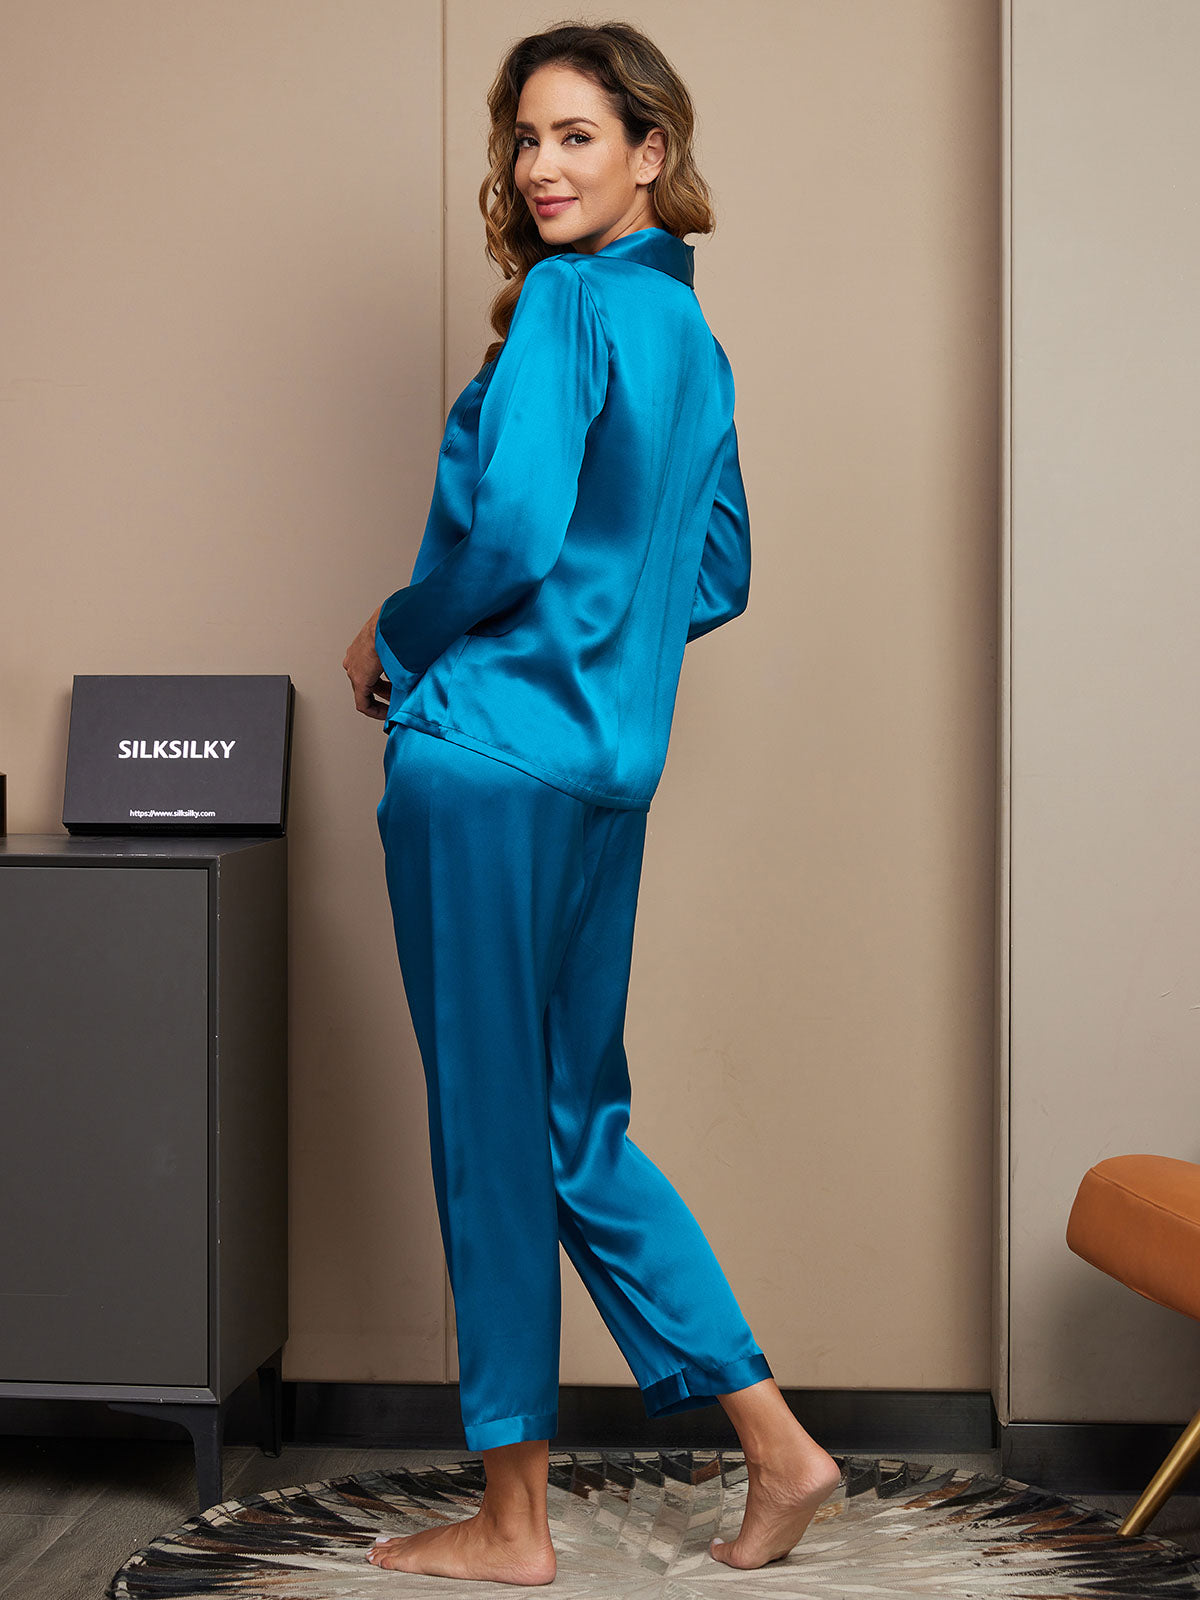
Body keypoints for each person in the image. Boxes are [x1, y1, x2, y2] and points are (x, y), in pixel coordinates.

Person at [342, 19, 840, 1585]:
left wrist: (397, 637)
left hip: (486, 765)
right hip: (607, 772)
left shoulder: (566, 302)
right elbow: (718, 568)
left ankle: (512, 1525)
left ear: (650, 153)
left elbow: (506, 537)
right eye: (526, 138)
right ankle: (781, 1447)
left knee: (494, 1138)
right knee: (575, 1127)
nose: (543, 167)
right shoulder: (691, 334)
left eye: (577, 136)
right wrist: (602, 647)